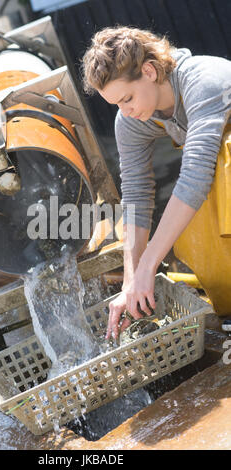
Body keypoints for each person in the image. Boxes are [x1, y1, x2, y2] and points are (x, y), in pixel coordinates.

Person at [81, 26, 231, 340]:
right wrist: (130, 282)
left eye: (128, 98)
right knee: (188, 236)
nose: (126, 110)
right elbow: (136, 195)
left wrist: (149, 265)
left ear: (149, 71)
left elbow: (195, 177)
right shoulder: (133, 119)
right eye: (117, 105)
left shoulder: (204, 80)